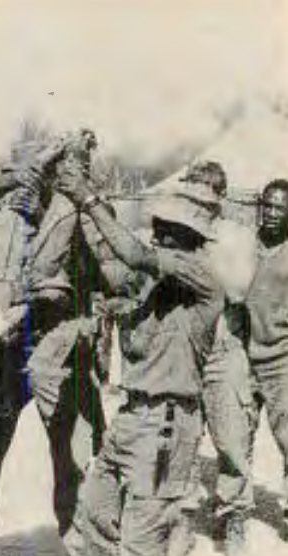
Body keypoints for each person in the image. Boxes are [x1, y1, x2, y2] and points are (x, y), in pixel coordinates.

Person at [0, 129, 119, 556]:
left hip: (59, 348)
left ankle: (83, 547)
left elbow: (110, 275)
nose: (37, 179)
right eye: (27, 171)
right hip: (2, 351)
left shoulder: (81, 210)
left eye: (44, 171)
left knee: (75, 462)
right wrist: (2, 188)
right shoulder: (4, 209)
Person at [56, 153, 225, 556]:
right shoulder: (157, 284)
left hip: (166, 422)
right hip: (133, 417)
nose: (154, 234)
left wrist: (88, 198)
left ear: (184, 236)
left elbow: (132, 256)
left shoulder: (199, 274)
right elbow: (113, 268)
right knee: (95, 517)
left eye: (163, 229)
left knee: (142, 540)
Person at [168, 161, 259, 556]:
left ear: (219, 197)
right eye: (190, 194)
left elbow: (239, 290)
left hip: (225, 347)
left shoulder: (236, 236)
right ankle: (181, 520)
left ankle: (232, 516)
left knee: (232, 438)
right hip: (183, 349)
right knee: (178, 438)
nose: (196, 202)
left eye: (204, 194)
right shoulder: (170, 232)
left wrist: (204, 257)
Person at [245, 178, 288, 539]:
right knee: (235, 437)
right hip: (241, 357)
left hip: (281, 361)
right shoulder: (244, 244)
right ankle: (234, 515)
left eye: (280, 208)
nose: (272, 213)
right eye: (268, 205)